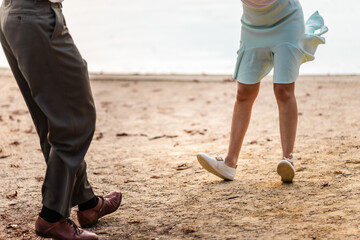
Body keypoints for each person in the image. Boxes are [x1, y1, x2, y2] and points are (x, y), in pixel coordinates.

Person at [0, 0, 122, 239]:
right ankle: (52, 216)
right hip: (36, 16)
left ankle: (87, 203)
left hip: (15, 14)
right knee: (77, 117)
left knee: (51, 118)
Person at [197, 0, 327, 183]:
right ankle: (229, 163)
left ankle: (287, 158)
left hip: (288, 21)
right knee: (244, 92)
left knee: (283, 90)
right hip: (253, 25)